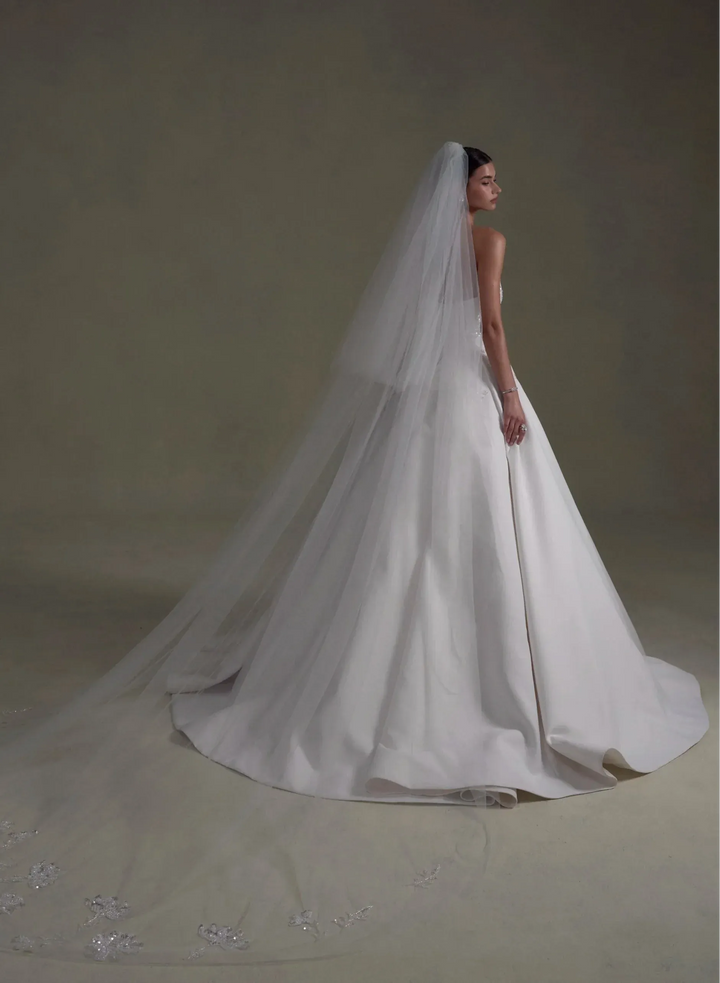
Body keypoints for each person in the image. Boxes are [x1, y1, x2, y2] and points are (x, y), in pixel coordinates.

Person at [0, 142, 709, 966]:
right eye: (487, 179)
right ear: (464, 189)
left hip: (422, 404)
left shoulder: (427, 249)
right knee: (483, 540)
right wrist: (509, 395)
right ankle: (502, 686)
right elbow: (488, 325)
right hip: (471, 394)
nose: (497, 189)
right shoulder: (489, 243)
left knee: (406, 547)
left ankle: (386, 679)